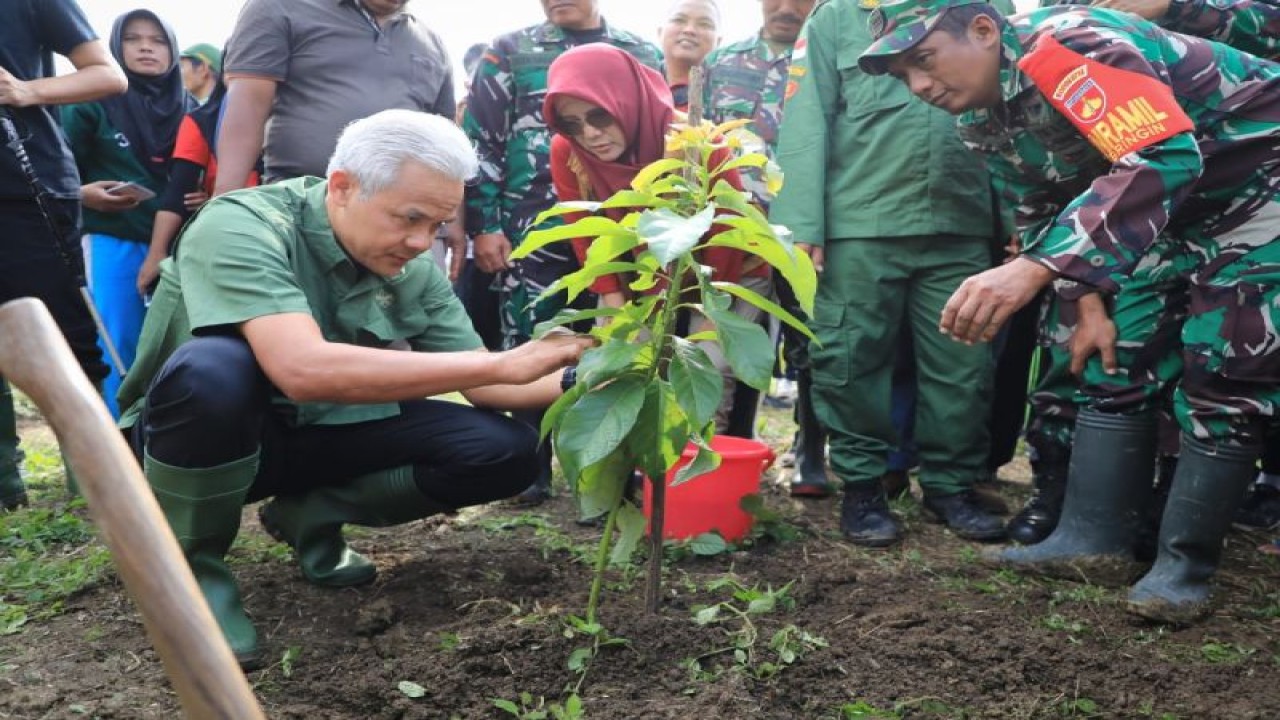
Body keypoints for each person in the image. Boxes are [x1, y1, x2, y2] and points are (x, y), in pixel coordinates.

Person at [119, 110, 594, 669]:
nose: (422, 243)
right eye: (409, 218)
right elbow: (301, 368)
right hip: (198, 442)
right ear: (342, 186)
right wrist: (496, 365)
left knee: (503, 450)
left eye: (437, 226)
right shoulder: (243, 223)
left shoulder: (408, 265)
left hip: (318, 431)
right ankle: (193, 569)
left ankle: (309, 515)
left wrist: (590, 375)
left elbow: (492, 386)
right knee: (213, 370)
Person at [859, 0, 1280, 622]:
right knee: (1114, 354)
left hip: (1258, 183)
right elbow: (1041, 209)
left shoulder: (1067, 45)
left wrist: (1037, 269)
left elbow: (1164, 155)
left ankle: (1183, 569)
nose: (919, 85)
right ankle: (1093, 539)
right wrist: (1084, 305)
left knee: (1224, 363)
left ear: (983, 29)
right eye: (903, 76)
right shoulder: (982, 119)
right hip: (1168, 208)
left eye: (923, 59)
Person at [771, 0, 1010, 547]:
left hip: (961, 219)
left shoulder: (976, 8)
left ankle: (950, 486)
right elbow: (806, 116)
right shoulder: (835, 17)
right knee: (850, 358)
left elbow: (1011, 108)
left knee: (964, 361)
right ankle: (862, 486)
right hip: (861, 219)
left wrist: (1015, 217)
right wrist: (803, 224)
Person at [462, 0, 661, 503]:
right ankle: (532, 465)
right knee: (536, 332)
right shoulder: (508, 50)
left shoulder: (639, 51)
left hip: (622, 228)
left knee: (626, 334)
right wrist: (484, 225)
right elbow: (481, 140)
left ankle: (623, 463)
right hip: (534, 225)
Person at [545, 44, 771, 432]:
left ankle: (698, 467)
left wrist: (703, 329)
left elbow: (726, 236)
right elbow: (587, 234)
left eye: (599, 115)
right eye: (572, 124)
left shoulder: (696, 144)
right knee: (624, 363)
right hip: (639, 271)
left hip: (723, 270)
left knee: (709, 367)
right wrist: (618, 319)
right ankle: (632, 471)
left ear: (624, 98)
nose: (590, 134)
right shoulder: (568, 152)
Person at [0, 0, 125, 510]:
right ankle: (7, 485)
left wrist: (26, 90)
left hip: (29, 186)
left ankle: (95, 479)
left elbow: (106, 74)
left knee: (68, 333)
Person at [704, 0, 822, 493]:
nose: (786, 6)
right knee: (729, 342)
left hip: (804, 230)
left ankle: (811, 452)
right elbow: (699, 140)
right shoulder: (721, 62)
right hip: (734, 232)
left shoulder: (827, 59)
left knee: (813, 344)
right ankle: (726, 447)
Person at [60, 9, 193, 418]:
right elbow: (57, 166)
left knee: (179, 347)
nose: (146, 47)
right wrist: (83, 194)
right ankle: (120, 444)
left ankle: (165, 444)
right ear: (115, 46)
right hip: (111, 240)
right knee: (118, 343)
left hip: (181, 246)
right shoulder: (92, 102)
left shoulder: (191, 108)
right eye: (133, 39)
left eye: (157, 40)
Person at [213, 0, 455, 193]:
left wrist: (454, 220)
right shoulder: (281, 7)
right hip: (303, 201)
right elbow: (248, 107)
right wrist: (223, 199)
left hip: (402, 211)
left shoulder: (432, 43)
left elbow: (444, 139)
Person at [140, 68, 262, 298]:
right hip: (224, 247)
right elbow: (177, 195)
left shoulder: (297, 126)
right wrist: (156, 254)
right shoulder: (202, 121)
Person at [658, 0, 722, 110]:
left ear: (719, 42)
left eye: (704, 24)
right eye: (679, 20)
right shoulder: (638, 83)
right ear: (660, 33)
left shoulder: (730, 93)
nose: (689, 30)